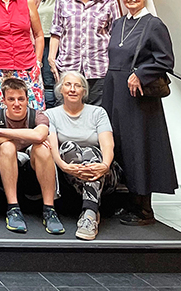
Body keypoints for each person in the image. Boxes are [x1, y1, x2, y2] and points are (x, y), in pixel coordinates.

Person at [102, 0, 177, 226]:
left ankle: (145, 209)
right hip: (115, 92)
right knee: (120, 145)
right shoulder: (119, 23)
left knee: (140, 147)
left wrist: (140, 75)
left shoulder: (153, 24)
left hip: (139, 97)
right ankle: (128, 201)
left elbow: (165, 60)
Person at [0, 78, 62, 235]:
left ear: (27, 99)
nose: (16, 103)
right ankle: (13, 208)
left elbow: (40, 135)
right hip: (4, 165)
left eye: (21, 99)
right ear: (4, 100)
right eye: (11, 99)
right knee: (7, 146)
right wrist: (28, 135)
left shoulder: (38, 115)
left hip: (32, 168)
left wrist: (1, 132)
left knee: (42, 148)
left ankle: (49, 210)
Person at [48, 71, 117, 240]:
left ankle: (89, 215)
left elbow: (108, 144)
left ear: (84, 91)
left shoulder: (98, 113)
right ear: (61, 90)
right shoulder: (51, 114)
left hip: (102, 174)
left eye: (77, 85)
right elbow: (53, 147)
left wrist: (104, 165)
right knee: (68, 146)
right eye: (68, 85)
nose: (72, 89)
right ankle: (91, 214)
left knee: (90, 151)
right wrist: (63, 166)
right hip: (69, 175)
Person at [48, 0, 119, 106]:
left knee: (98, 113)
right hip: (69, 68)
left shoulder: (108, 1)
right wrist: (51, 59)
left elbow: (116, 35)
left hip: (99, 69)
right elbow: (56, 32)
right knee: (67, 114)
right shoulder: (63, 0)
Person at [30, 0, 87, 107]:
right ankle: (51, 120)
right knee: (48, 79)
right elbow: (32, 4)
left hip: (73, 36)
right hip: (46, 34)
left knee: (71, 80)